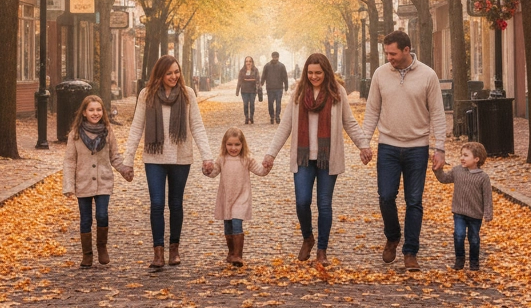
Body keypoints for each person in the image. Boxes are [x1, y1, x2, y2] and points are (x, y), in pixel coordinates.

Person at [263, 52, 372, 265]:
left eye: (318, 73)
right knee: (302, 202)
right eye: (310, 73)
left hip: (327, 159)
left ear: (326, 72)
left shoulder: (337, 92)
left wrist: (363, 145)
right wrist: (270, 154)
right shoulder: (298, 93)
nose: (314, 77)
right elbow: (285, 126)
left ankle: (322, 250)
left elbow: (349, 122)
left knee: (324, 204)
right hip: (303, 159)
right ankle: (308, 237)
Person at [362, 30, 445, 271]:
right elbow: (372, 111)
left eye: (393, 53)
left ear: (407, 50)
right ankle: (393, 235)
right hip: (387, 145)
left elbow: (437, 114)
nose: (389, 57)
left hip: (417, 147)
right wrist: (365, 142)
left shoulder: (428, 76)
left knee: (414, 201)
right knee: (386, 196)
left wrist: (440, 148)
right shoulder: (380, 74)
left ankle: (410, 252)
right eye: (386, 53)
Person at [122, 55, 214, 268]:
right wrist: (128, 161)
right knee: (156, 203)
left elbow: (197, 126)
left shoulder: (188, 94)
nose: (174, 76)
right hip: (154, 158)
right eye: (169, 73)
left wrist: (207, 157)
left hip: (181, 158)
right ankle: (158, 252)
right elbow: (137, 127)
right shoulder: (146, 95)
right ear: (160, 74)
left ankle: (174, 248)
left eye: (176, 72)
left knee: (175, 203)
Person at [62, 95, 127, 268]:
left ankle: (102, 246)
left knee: (102, 214)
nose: (95, 113)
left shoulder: (108, 131)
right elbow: (69, 161)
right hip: (82, 182)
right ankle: (87, 254)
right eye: (91, 110)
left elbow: (115, 156)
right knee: (85, 219)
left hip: (103, 181)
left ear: (103, 112)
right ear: (84, 112)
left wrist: (124, 170)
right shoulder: (75, 135)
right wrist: (68, 185)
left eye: (98, 109)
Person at [206, 126, 268, 266]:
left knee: (236, 223)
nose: (233, 148)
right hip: (226, 197)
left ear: (242, 144)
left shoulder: (246, 159)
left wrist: (267, 166)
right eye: (230, 144)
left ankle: (238, 255)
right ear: (224, 144)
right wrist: (207, 169)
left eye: (237, 144)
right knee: (228, 225)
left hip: (241, 196)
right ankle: (231, 252)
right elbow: (213, 173)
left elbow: (260, 171)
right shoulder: (222, 159)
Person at [433, 141, 493, 271]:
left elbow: (487, 196)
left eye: (466, 155)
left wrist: (488, 213)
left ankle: (474, 262)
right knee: (459, 235)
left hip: (475, 214)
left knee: (474, 239)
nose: (462, 158)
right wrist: (438, 169)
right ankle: (459, 260)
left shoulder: (483, 177)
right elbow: (444, 179)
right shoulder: (457, 171)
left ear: (476, 159)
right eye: (461, 155)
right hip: (459, 212)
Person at [260, 51, 289, 124]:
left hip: (278, 88)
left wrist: (286, 86)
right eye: (274, 57)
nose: (275, 58)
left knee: (278, 103)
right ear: (272, 57)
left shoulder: (282, 66)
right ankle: (272, 116)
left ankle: (277, 116)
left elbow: (285, 77)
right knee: (270, 103)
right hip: (270, 88)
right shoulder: (267, 66)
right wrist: (261, 83)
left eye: (276, 57)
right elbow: (263, 76)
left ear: (278, 57)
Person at [236, 56, 261, 125]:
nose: (248, 63)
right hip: (244, 90)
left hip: (252, 90)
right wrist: (237, 90)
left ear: (252, 62)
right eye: (247, 61)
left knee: (252, 104)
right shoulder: (242, 71)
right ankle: (246, 117)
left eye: (250, 61)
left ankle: (251, 117)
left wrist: (259, 88)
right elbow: (239, 80)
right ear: (245, 62)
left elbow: (258, 79)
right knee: (246, 104)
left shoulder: (255, 70)